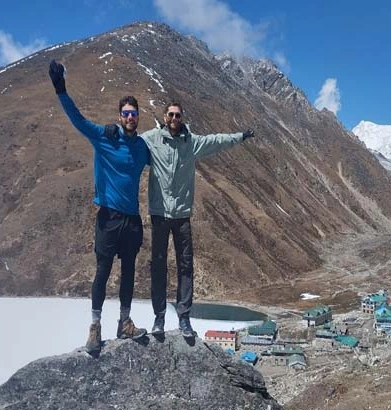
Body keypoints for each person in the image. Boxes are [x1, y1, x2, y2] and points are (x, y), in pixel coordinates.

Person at [48, 60, 150, 353]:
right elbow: (78, 120)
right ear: (120, 116)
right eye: (126, 113)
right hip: (108, 217)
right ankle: (95, 327)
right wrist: (60, 89)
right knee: (103, 272)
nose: (130, 117)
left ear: (138, 117)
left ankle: (124, 322)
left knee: (129, 272)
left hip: (132, 220)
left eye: (134, 113)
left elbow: (165, 159)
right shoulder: (105, 137)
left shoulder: (142, 147)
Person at [141, 102, 254, 337]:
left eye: (178, 115)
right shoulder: (151, 139)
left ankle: (184, 318)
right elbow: (129, 144)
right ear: (165, 116)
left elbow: (217, 141)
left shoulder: (191, 142)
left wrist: (240, 136)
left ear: (182, 117)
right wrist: (113, 135)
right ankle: (159, 318)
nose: (174, 118)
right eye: (171, 114)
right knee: (159, 267)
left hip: (182, 215)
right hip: (160, 214)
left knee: (186, 266)